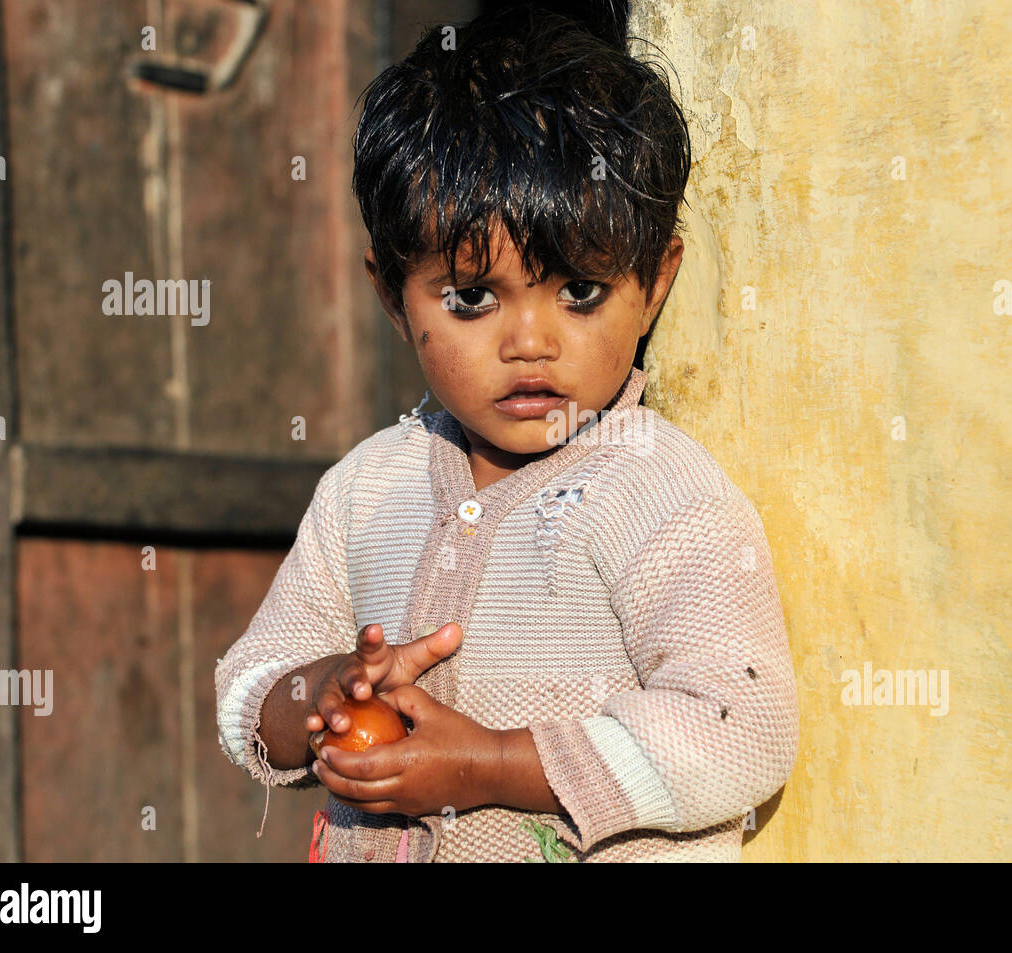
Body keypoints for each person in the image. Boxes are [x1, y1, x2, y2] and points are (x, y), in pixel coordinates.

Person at [214, 0, 799, 862]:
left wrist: (490, 764)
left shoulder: (657, 492)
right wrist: (321, 693)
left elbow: (739, 726)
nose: (530, 342)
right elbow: (247, 688)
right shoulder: (364, 490)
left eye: (581, 291)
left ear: (656, 280)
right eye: (471, 298)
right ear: (389, 292)